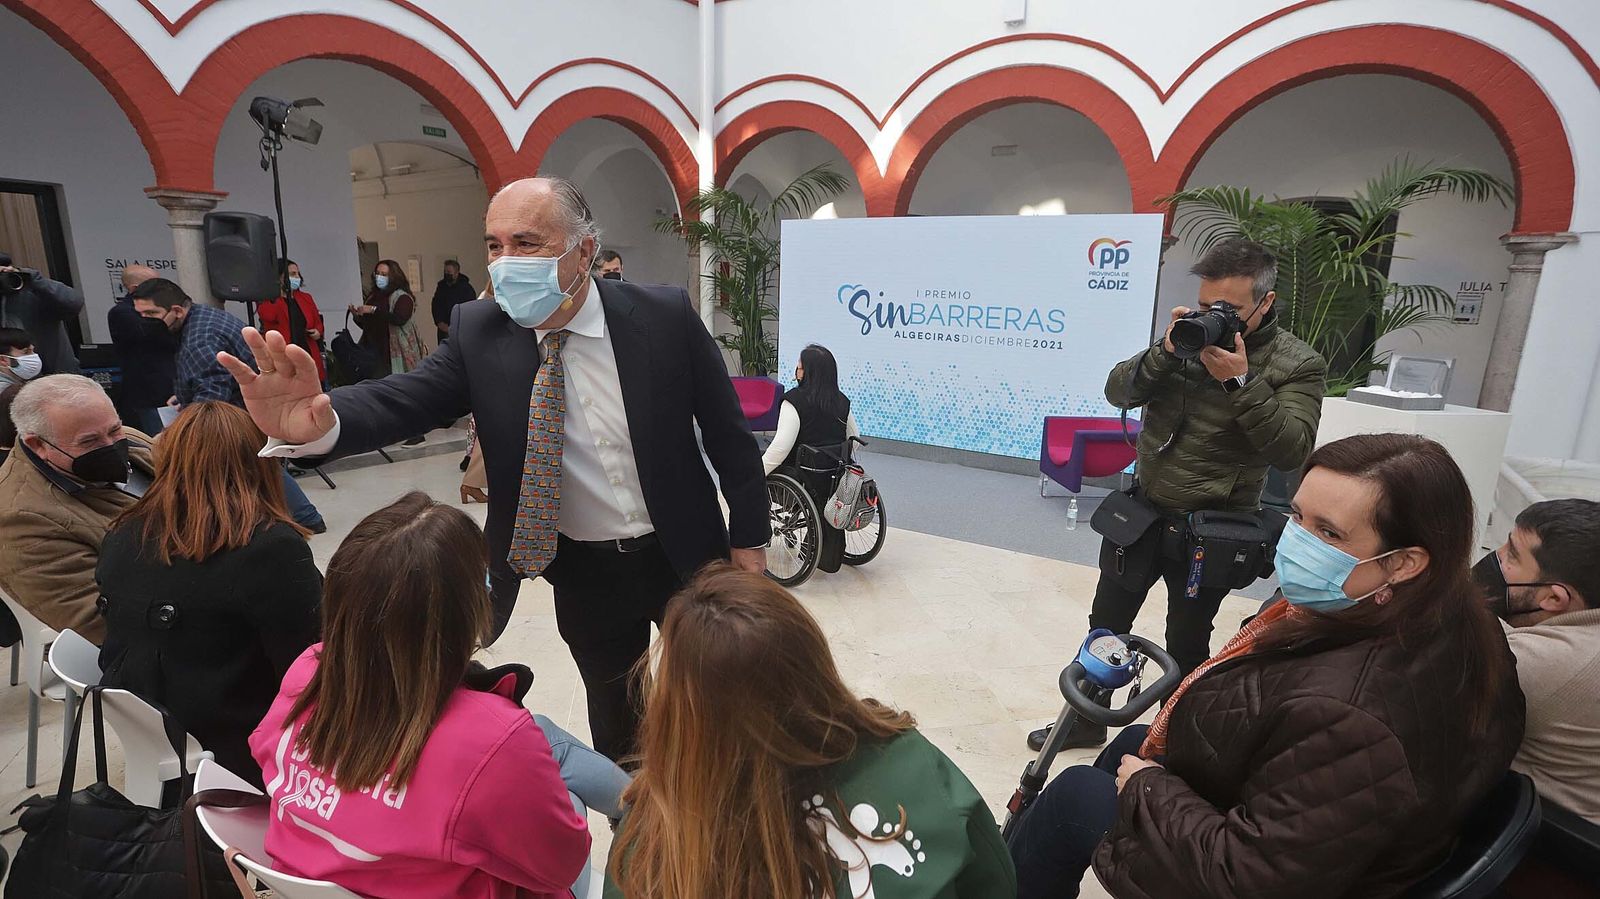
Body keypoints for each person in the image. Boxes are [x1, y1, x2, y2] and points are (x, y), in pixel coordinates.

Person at [224, 176, 769, 762]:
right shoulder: (480, 331)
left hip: (682, 551)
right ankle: (646, 836)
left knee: (726, 704)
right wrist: (321, 422)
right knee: (619, 724)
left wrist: (750, 543)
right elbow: (406, 397)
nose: (505, 262)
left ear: (583, 251)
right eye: (494, 245)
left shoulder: (661, 317)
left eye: (527, 243)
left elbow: (728, 435)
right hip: (583, 571)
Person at [1008, 433, 1525, 899]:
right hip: (1331, 829)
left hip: (1293, 875)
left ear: (1404, 563)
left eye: (1330, 533)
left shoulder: (1349, 714)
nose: (1296, 541)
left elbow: (1250, 879)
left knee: (1076, 796)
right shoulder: (1456, 622)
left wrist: (1148, 788)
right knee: (1130, 744)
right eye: (1297, 516)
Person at [1031, 237, 1327, 752]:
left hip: (1212, 528)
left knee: (1187, 642)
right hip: (1144, 511)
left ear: (1266, 302)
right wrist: (1166, 351)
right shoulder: (1183, 341)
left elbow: (1290, 449)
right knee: (1105, 624)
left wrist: (1241, 383)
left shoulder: (1297, 363)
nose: (1217, 318)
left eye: (1231, 310)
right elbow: (1117, 391)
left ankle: (1175, 739)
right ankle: (1089, 718)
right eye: (1210, 305)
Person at [250, 492, 616, 899]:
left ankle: (643, 804)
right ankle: (656, 814)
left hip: (313, 878)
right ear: (465, 611)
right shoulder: (491, 738)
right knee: (560, 776)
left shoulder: (310, 671)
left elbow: (264, 751)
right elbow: (561, 863)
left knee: (544, 737)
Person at [606, 564, 1015, 898]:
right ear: (814, 666)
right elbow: (997, 882)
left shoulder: (649, 838)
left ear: (680, 714)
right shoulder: (914, 763)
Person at [95, 401, 321, 784]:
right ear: (262, 462)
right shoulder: (267, 547)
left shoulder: (123, 531)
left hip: (159, 730)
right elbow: (310, 669)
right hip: (241, 746)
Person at [129, 278, 326, 533]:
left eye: (151, 314)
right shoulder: (200, 319)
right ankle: (302, 516)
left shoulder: (201, 338)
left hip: (241, 414)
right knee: (258, 464)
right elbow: (204, 377)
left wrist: (180, 432)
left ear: (177, 310)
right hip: (243, 410)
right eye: (140, 314)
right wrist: (183, 394)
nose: (145, 321)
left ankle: (304, 517)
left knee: (256, 462)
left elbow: (211, 398)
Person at [1474, 498, 1600, 824]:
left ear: (1554, 598)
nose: (1495, 558)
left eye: (1511, 555)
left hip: (1545, 847)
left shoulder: (1549, 663)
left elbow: (1442, 644)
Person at [0, 375, 153, 643]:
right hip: (161, 642)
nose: (112, 445)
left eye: (115, 429)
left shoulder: (126, 437)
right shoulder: (21, 519)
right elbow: (100, 621)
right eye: (89, 442)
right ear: (39, 445)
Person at [763, 344, 862, 570]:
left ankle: (760, 531)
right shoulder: (841, 400)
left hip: (802, 477)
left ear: (806, 371)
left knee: (753, 467)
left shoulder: (794, 401)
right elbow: (854, 437)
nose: (797, 370)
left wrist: (755, 472)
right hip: (834, 478)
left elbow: (780, 447)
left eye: (799, 366)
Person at [107, 265, 179, 435]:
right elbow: (154, 334)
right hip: (152, 394)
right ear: (134, 289)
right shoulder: (122, 313)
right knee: (162, 441)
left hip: (175, 387)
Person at [0, 250, 83, 375]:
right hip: (11, 379)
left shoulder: (34, 292)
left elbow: (74, 302)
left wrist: (30, 277)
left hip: (57, 375)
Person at [258, 259, 327, 387]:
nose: (297, 277)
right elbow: (268, 315)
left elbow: (317, 322)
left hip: (308, 350)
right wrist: (278, 293)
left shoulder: (305, 298)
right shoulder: (270, 300)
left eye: (298, 274)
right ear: (280, 277)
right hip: (285, 355)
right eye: (292, 274)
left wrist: (318, 331)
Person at [0, 327, 42, 458]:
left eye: (33, 351)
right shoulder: (8, 394)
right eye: (26, 352)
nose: (34, 357)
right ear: (3, 360)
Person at [430, 259, 476, 345]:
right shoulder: (441, 287)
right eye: (445, 271)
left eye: (449, 272)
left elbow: (471, 309)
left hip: (461, 329)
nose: (446, 274)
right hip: (443, 328)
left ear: (456, 273)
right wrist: (439, 322)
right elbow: (436, 305)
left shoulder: (466, 289)